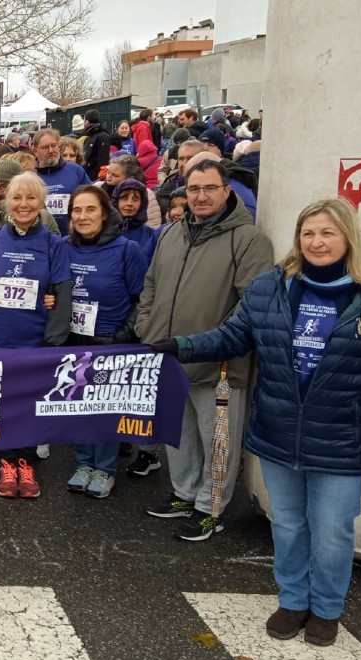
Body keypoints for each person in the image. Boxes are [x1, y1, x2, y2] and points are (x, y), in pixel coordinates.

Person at [150, 198, 361, 646]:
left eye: (327, 232)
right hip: (278, 428)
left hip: (341, 436)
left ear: (348, 236)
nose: (317, 241)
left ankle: (326, 608)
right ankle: (292, 600)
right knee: (287, 524)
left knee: (331, 531)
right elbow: (234, 335)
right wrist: (182, 345)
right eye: (308, 233)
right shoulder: (273, 287)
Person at [134, 159, 274, 538]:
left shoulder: (249, 239)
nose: (201, 196)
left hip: (220, 361)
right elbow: (150, 287)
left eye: (210, 188)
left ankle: (210, 507)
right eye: (194, 189)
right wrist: (147, 327)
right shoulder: (170, 234)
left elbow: (251, 304)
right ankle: (183, 492)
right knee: (178, 434)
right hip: (170, 354)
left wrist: (218, 341)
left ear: (226, 191)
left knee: (218, 441)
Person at [0, 172, 71, 499]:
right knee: (3, 404)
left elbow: (61, 295)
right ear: (7, 201)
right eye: (17, 198)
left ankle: (26, 462)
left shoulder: (53, 243)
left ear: (42, 203)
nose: (24, 205)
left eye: (31, 198)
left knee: (30, 404)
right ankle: (7, 463)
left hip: (34, 341)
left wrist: (53, 341)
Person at [62, 186, 147, 498]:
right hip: (74, 341)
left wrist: (124, 334)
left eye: (90, 210)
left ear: (105, 212)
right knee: (79, 408)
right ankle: (83, 463)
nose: (83, 217)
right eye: (76, 210)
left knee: (105, 408)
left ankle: (105, 468)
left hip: (111, 341)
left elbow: (142, 299)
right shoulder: (63, 247)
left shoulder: (127, 250)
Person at [32, 129, 93, 235]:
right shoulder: (31, 176)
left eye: (54, 145)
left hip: (73, 239)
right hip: (41, 239)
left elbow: (92, 200)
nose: (51, 150)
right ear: (35, 151)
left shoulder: (75, 170)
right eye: (45, 147)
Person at [112, 178, 160, 263]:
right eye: (124, 198)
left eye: (135, 199)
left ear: (142, 204)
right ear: (116, 201)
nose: (129, 203)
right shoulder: (104, 232)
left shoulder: (151, 236)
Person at [81, 109, 112, 181]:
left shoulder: (102, 136)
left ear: (87, 122)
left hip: (96, 178)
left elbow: (103, 161)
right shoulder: (89, 138)